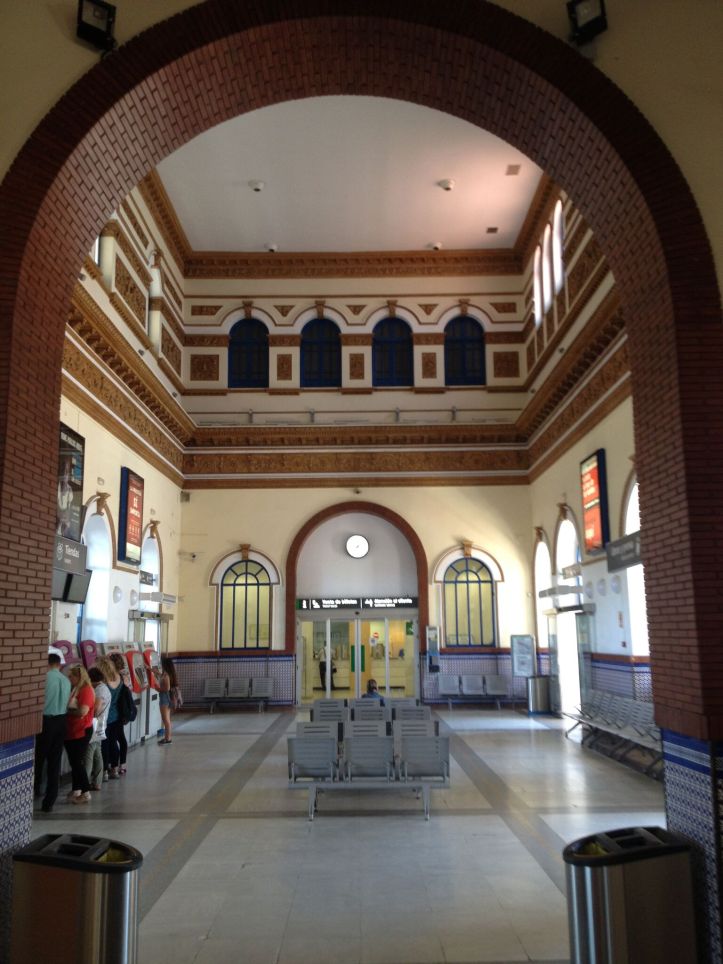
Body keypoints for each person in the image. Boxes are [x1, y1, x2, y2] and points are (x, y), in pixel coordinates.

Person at [35, 652, 71, 813]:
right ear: (59, 664)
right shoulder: (66, 680)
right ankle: (49, 801)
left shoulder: (44, 678)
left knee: (38, 759)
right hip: (61, 722)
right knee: (54, 762)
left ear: (47, 663)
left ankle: (34, 791)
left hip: (46, 721)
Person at [64, 664, 95, 804]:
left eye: (71, 676)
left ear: (79, 677)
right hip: (72, 729)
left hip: (82, 730)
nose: (69, 678)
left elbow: (83, 711)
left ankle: (86, 791)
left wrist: (67, 713)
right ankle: (76, 789)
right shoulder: (75, 689)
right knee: (74, 761)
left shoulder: (87, 690)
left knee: (77, 762)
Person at [99, 653, 129, 778]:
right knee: (114, 743)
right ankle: (115, 769)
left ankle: (105, 771)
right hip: (117, 715)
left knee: (105, 745)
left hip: (105, 717)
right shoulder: (121, 678)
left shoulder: (104, 681)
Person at [84, 665, 111, 791]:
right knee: (97, 753)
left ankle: (84, 784)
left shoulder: (100, 690)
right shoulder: (105, 688)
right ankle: (97, 782)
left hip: (95, 725)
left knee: (89, 754)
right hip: (101, 725)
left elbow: (96, 709)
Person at [157, 656, 178, 745]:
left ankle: (167, 739)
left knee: (166, 720)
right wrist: (149, 668)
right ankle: (167, 738)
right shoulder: (169, 674)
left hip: (165, 698)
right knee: (167, 719)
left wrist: (157, 688)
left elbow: (167, 688)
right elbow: (159, 674)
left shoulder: (166, 675)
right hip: (168, 698)